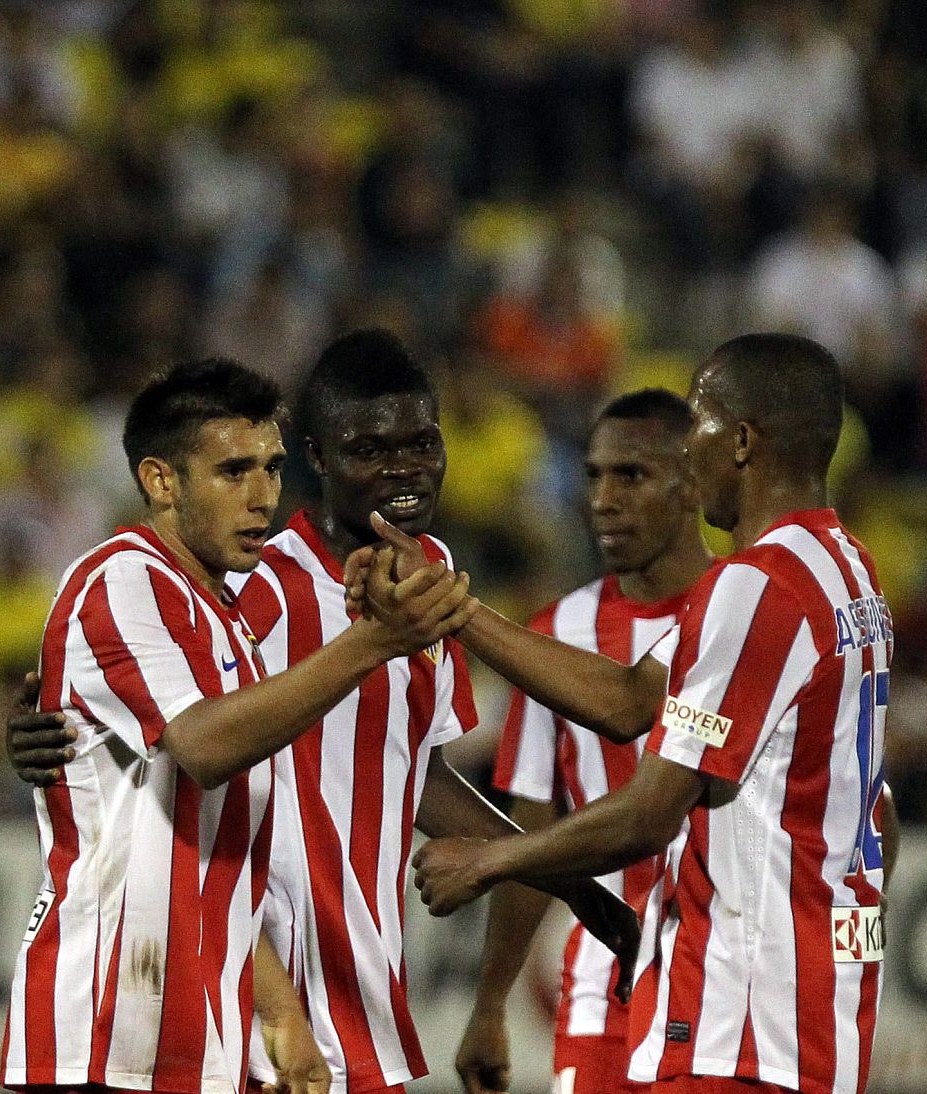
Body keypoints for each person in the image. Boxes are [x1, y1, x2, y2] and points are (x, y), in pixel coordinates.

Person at [6, 332, 639, 1094]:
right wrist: (39, 723)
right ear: (322, 457)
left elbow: (411, 774)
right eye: (370, 449)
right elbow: (163, 723)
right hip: (253, 1007)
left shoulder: (425, 581)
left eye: (420, 443)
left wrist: (564, 877)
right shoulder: (253, 590)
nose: (402, 467)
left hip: (364, 997)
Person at [363, 333, 898, 1094]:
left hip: (738, 1017)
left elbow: (650, 812)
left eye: (701, 428)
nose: (691, 452)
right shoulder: (848, 568)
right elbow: (632, 702)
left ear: (742, 441)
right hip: (813, 1008)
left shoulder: (758, 587)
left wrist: (488, 860)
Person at [460, 389, 713, 1094]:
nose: (603, 498)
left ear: (692, 480)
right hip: (607, 989)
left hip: (726, 982)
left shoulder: (753, 612)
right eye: (594, 475)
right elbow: (533, 823)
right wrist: (490, 1003)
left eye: (630, 476)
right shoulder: (554, 636)